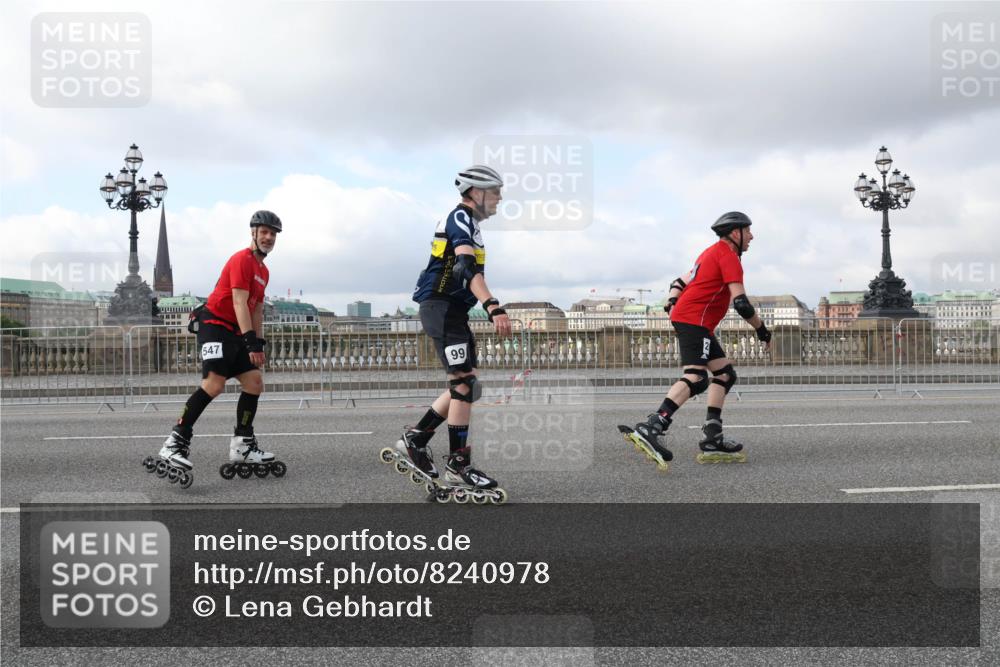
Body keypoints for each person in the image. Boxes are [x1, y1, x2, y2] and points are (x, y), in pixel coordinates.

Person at [392, 165, 512, 501]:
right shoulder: (460, 218)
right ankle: (458, 465)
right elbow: (464, 266)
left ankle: (417, 438)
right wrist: (493, 305)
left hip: (451, 311)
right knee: (464, 385)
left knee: (465, 384)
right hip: (441, 308)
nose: (500, 198)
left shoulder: (470, 224)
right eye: (496, 191)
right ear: (476, 192)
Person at [142, 210, 286, 487]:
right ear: (253, 233)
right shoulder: (241, 260)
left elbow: (256, 311)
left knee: (254, 382)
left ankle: (243, 444)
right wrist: (250, 340)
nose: (269, 237)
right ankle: (174, 442)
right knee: (214, 384)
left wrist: (259, 344)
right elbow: (238, 303)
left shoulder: (263, 271)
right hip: (214, 325)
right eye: (264, 232)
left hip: (236, 331)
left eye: (273, 234)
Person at [626, 211, 772, 465]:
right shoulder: (728, 257)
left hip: (693, 319)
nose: (752, 236)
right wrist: (762, 330)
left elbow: (679, 281)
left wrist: (672, 300)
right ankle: (653, 425)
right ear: (735, 233)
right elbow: (741, 304)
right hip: (695, 320)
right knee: (696, 376)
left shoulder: (709, 253)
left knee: (725, 374)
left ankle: (712, 437)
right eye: (748, 231)